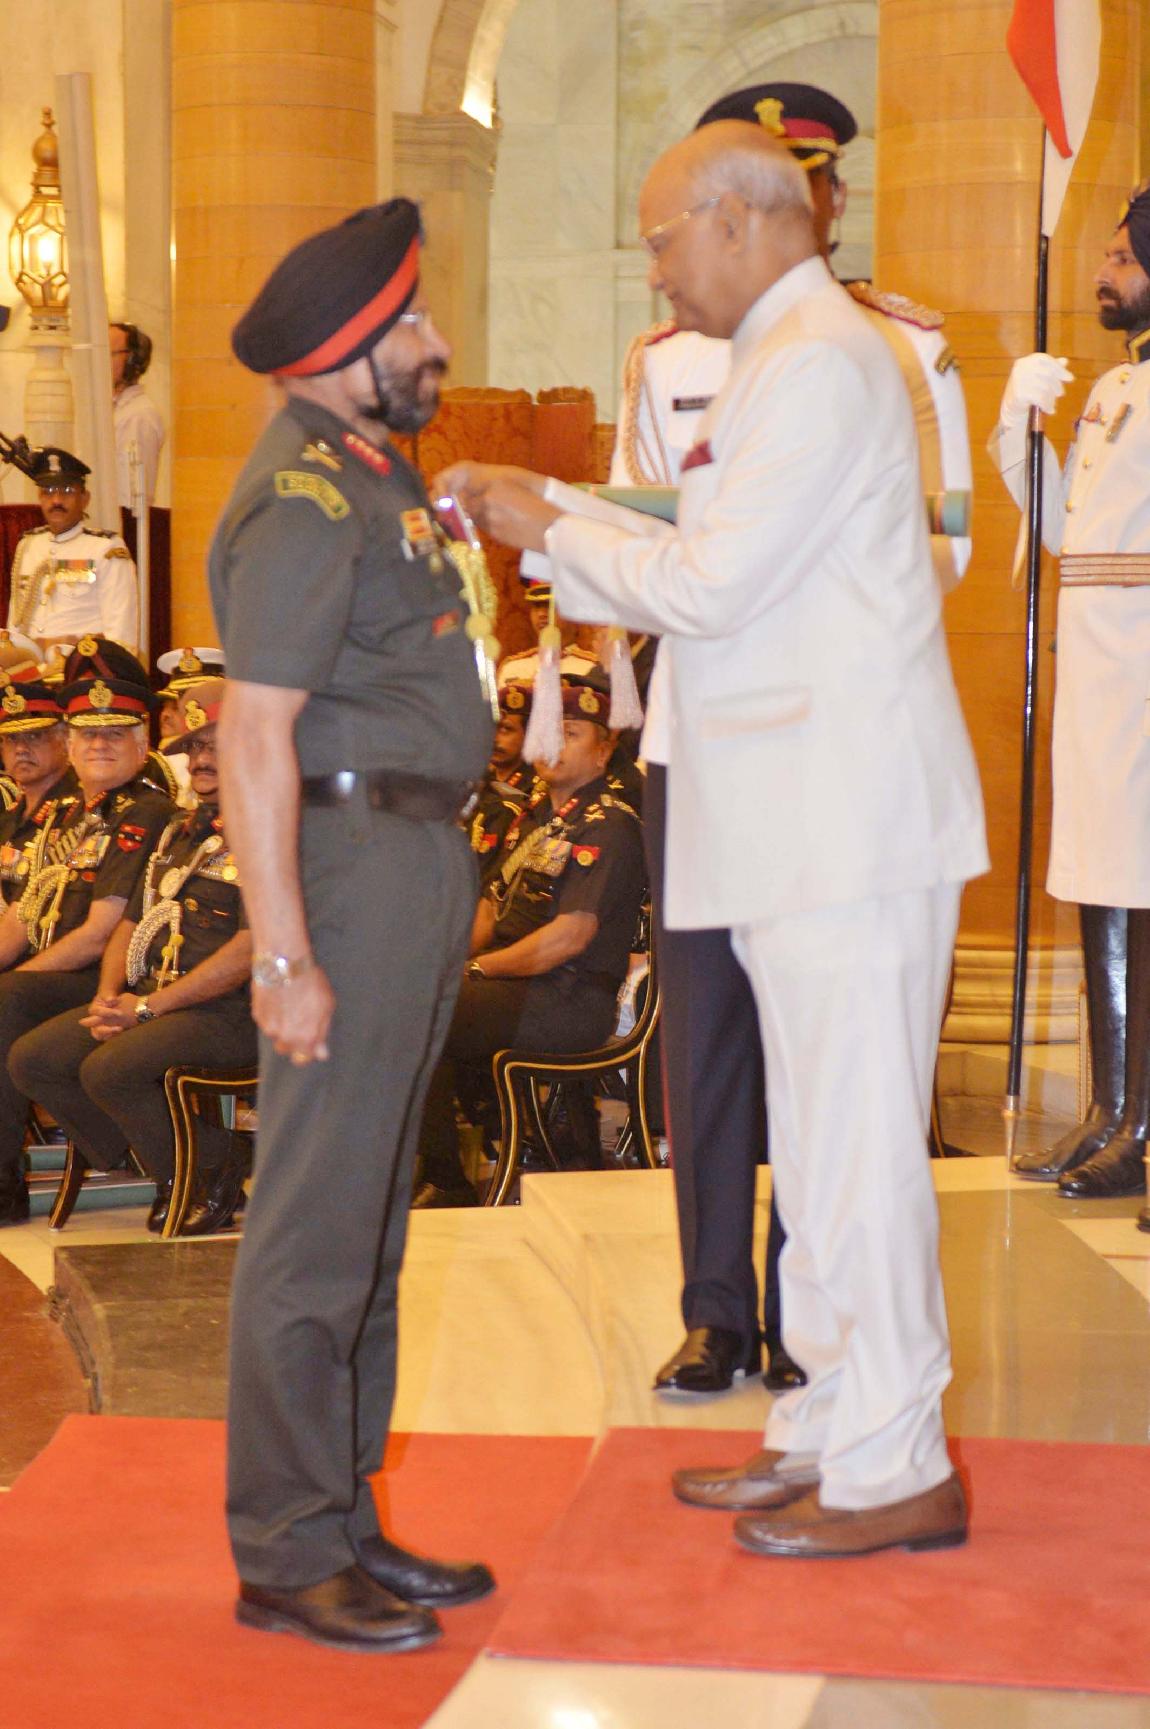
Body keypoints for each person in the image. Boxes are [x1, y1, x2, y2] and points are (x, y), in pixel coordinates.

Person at [441, 120, 987, 1557]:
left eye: (660, 238)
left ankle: (897, 1464)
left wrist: (548, 518)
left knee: (855, 1154)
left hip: (845, 821)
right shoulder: (781, 355)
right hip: (799, 817)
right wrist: (554, 513)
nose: (656, 270)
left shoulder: (817, 361)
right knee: (813, 1145)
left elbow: (714, 581)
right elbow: (710, 543)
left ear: (738, 219)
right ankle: (826, 1424)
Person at [608, 80, 975, 1401]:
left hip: (818, 744)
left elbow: (942, 544)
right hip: (698, 739)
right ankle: (716, 1310)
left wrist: (763, 589)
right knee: (704, 1026)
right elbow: (644, 526)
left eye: (809, 177)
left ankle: (818, 1340)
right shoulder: (667, 362)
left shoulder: (890, 347)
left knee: (825, 1056)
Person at [210, 198, 496, 1654]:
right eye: (413, 326)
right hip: (349, 867)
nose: (435, 344)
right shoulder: (302, 498)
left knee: (373, 1210)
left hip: (414, 857)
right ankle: (284, 1545)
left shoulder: (376, 474)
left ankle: (342, 1512)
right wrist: (282, 954)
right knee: (316, 1221)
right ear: (342, 352)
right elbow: (250, 732)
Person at [991, 182, 1150, 1204]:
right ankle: (1111, 1105)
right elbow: (1060, 529)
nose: (1103, 272)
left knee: (1141, 883)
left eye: (1122, 258)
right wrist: (1019, 421)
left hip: (1143, 669)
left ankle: (1140, 1121)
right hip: (1099, 670)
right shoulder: (1112, 392)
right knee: (1101, 876)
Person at [9, 679, 255, 1238]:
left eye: (217, 744)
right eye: (195, 746)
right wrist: (108, 998)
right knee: (35, 1058)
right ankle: (185, 1159)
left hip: (232, 1010)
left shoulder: (272, 829)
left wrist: (145, 1010)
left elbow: (248, 951)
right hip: (159, 998)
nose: (202, 759)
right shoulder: (184, 829)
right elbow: (130, 923)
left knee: (110, 1069)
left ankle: (203, 1173)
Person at [414, 677, 646, 1207]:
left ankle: (446, 1179)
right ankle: (420, 1164)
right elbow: (489, 911)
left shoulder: (609, 826)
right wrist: (445, 962)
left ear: (604, 750)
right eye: (547, 731)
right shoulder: (532, 819)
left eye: (571, 732)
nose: (553, 743)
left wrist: (478, 970)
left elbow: (569, 937)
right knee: (401, 994)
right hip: (511, 989)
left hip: (568, 998)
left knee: (421, 1011)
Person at [0, 640, 176, 1227]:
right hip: (57, 974)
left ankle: (4, 1182)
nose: (99, 744)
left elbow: (101, 932)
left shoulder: (144, 813)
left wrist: (16, 978)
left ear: (143, 745)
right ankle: (125, 1148)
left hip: (107, 976)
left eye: (115, 733)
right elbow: (24, 914)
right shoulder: (65, 815)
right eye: (88, 733)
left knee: (7, 999)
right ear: (71, 745)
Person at [7, 447, 139, 652]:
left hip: (81, 662)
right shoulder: (28, 545)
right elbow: (16, 618)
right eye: (48, 491)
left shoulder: (106, 549)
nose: (56, 500)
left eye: (67, 491)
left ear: (84, 499)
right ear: (40, 497)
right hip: (30, 663)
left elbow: (121, 628)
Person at [0, 668, 76, 907]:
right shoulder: (10, 815)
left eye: (34, 736)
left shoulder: (79, 812)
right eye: (11, 739)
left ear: (64, 740)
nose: (21, 749)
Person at [496, 574, 600, 686]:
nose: (541, 614)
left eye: (550, 606)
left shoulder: (591, 670)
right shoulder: (512, 668)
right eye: (536, 606)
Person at [110, 322, 166, 510]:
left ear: (132, 361)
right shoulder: (112, 410)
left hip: (122, 523)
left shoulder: (139, 415)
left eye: (109, 353)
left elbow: (130, 499)